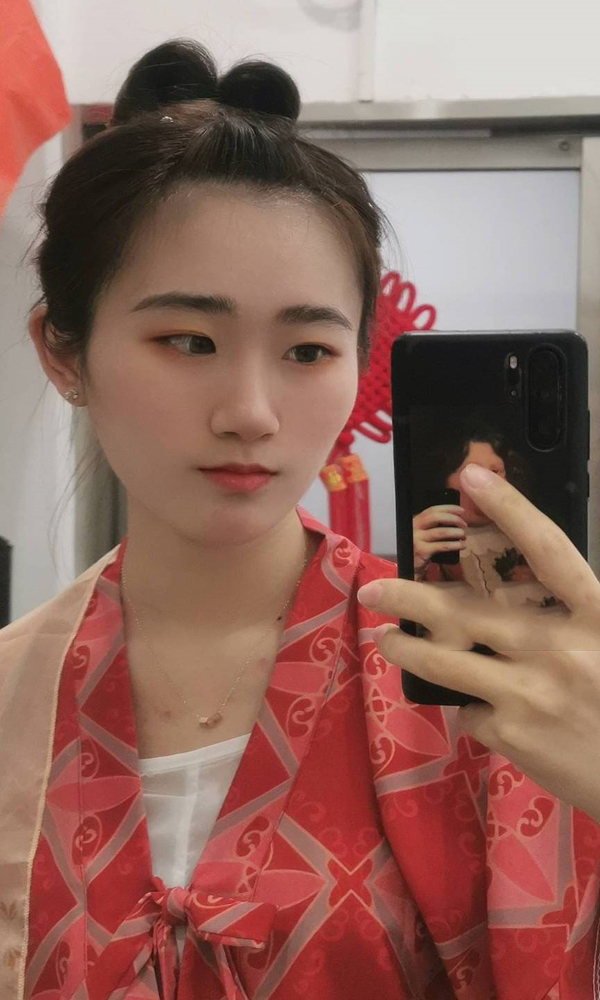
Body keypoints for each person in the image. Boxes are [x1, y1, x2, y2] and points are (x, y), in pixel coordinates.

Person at [0, 39, 599, 1000]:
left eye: (308, 350)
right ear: (64, 353)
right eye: (187, 340)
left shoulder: (474, 679)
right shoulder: (10, 693)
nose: (251, 412)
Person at [413, 424, 551, 607]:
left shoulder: (523, 530)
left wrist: (535, 578)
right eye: (473, 472)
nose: (487, 482)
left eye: (495, 471)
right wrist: (412, 565)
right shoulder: (426, 533)